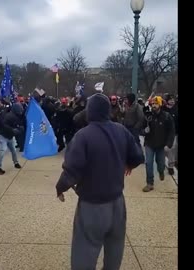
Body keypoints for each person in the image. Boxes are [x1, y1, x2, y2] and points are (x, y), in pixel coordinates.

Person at [56, 93, 145, 270]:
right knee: (115, 250)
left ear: (90, 112)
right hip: (118, 203)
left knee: (85, 251)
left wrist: (60, 187)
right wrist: (129, 164)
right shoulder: (121, 130)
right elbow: (137, 156)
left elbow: (72, 169)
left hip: (92, 205)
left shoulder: (83, 136)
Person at [142, 96, 175, 192]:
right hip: (149, 144)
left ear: (160, 104)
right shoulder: (148, 116)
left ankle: (161, 172)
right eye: (152, 104)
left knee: (160, 164)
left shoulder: (167, 116)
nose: (153, 105)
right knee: (148, 163)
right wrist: (144, 131)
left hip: (161, 145)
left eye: (156, 104)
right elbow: (141, 129)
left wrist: (168, 144)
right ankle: (149, 183)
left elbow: (171, 131)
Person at [0, 103, 24, 175]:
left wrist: (19, 129)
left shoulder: (16, 116)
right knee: (3, 150)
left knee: (13, 150)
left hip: (9, 136)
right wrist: (13, 130)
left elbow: (18, 126)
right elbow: (3, 125)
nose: (21, 110)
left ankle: (16, 162)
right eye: (19, 109)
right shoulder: (8, 116)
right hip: (2, 135)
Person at [162, 94, 178, 175]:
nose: (172, 101)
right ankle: (163, 162)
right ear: (167, 101)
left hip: (174, 133)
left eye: (173, 99)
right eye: (170, 99)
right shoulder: (163, 109)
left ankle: (171, 166)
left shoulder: (176, 109)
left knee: (172, 148)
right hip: (164, 132)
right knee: (165, 149)